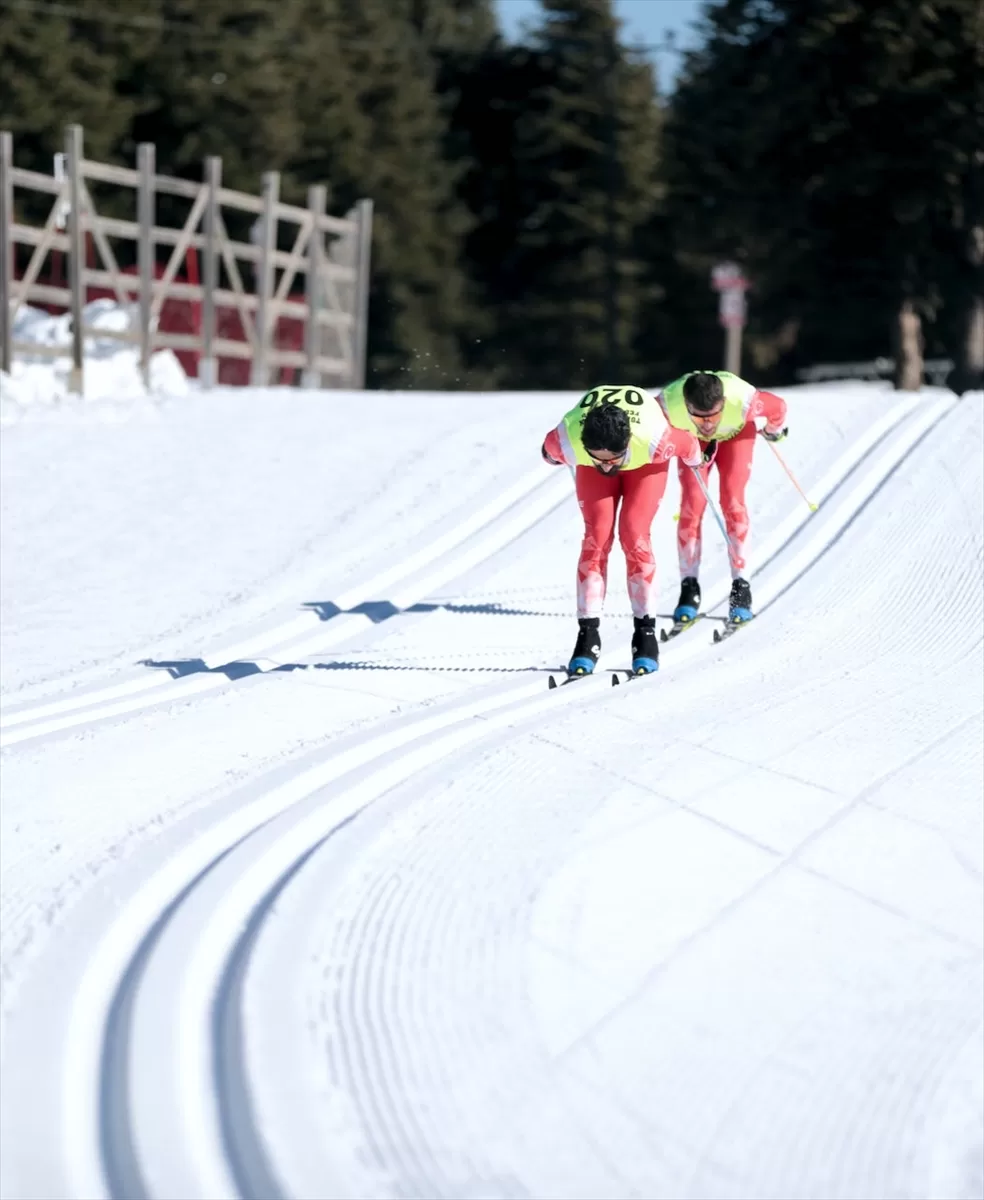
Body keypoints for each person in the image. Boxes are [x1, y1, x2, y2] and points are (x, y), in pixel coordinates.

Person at [542, 385, 703, 675]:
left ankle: (645, 633)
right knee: (597, 537)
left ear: (626, 442)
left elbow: (691, 448)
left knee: (634, 533)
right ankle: (588, 634)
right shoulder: (566, 439)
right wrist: (561, 458)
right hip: (604, 453)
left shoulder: (656, 439)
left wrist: (697, 461)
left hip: (644, 463)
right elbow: (548, 452)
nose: (606, 465)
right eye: (598, 457)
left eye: (612, 458)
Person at [656, 370, 788, 625]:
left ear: (724, 403)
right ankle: (689, 587)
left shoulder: (744, 400)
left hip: (736, 435)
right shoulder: (667, 402)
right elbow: (646, 422)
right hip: (693, 441)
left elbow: (778, 408)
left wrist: (774, 430)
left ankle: (741, 587)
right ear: (685, 405)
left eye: (714, 415)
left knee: (732, 500)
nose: (707, 423)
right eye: (698, 416)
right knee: (692, 504)